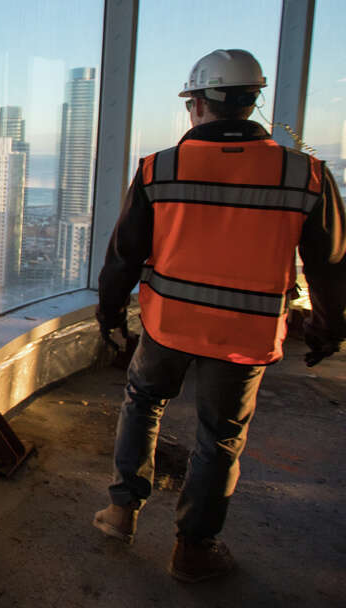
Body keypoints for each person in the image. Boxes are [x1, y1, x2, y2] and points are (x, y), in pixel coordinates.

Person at [90, 49, 346, 582]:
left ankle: (121, 511)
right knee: (219, 438)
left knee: (142, 406)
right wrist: (327, 328)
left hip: (168, 323)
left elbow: (124, 253)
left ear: (198, 104)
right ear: (253, 102)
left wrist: (112, 314)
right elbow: (332, 266)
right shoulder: (306, 174)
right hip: (244, 334)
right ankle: (194, 548)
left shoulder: (161, 167)